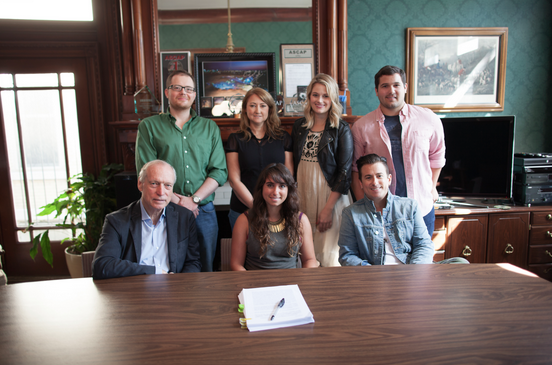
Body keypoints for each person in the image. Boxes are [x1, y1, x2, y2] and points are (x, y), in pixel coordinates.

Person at [135, 70, 227, 272]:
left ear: (194, 95)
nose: (183, 92)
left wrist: (193, 200)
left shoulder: (210, 127)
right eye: (177, 87)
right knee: (169, 267)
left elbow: (219, 171)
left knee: (206, 269)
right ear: (167, 92)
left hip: (203, 210)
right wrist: (179, 202)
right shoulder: (149, 127)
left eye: (188, 88)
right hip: (163, 210)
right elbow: (147, 173)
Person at [350, 65, 445, 237]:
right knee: (382, 262)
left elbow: (437, 157)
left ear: (405, 88)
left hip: (421, 209)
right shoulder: (361, 127)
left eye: (396, 85)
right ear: (376, 91)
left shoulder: (429, 119)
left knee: (420, 262)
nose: (391, 90)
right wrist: (362, 205)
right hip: (379, 212)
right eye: (385, 86)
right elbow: (356, 170)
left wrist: (431, 187)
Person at [93, 160, 201, 279]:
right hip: (133, 289)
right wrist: (154, 271)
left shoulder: (184, 218)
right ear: (140, 184)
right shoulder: (116, 221)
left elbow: (193, 262)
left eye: (167, 185)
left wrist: (178, 284)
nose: (161, 192)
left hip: (173, 289)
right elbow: (102, 265)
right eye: (154, 183)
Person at [291, 73, 353, 267]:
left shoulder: (341, 129)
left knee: (328, 257)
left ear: (333, 99)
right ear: (309, 97)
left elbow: (344, 172)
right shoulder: (299, 127)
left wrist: (327, 209)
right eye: (315, 95)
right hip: (303, 195)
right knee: (305, 256)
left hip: (331, 199)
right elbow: (293, 165)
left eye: (325, 96)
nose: (320, 100)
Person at [338, 154, 434, 266]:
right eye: (368, 177)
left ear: (389, 179)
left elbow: (423, 245)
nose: (375, 182)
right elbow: (347, 255)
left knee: (458, 262)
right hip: (372, 277)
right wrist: (373, 274)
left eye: (379, 176)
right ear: (361, 184)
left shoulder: (410, 207)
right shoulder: (350, 214)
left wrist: (412, 273)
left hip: (410, 273)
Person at [225, 87, 293, 230]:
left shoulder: (283, 138)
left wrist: (274, 208)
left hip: (277, 211)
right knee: (242, 252)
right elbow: (234, 180)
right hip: (242, 210)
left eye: (263, 106)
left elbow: (289, 177)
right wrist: (257, 207)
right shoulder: (235, 139)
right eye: (252, 105)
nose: (257, 110)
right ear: (245, 109)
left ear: (270, 109)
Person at [230, 163, 318, 270]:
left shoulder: (301, 220)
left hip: (291, 284)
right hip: (255, 284)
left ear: (288, 190)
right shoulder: (244, 220)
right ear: (261, 188)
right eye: (270, 185)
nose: (275, 192)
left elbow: (309, 260)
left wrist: (303, 281)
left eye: (282, 186)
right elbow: (236, 264)